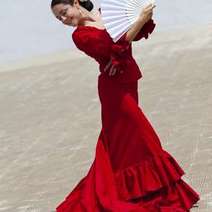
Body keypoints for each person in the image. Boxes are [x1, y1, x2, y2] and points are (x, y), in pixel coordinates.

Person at [51, 0, 200, 211]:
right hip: (113, 93)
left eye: (64, 12)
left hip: (128, 83)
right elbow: (115, 46)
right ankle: (161, 192)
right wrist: (139, 20)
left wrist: (143, 19)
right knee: (144, 137)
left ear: (76, 3)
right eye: (59, 18)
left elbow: (132, 35)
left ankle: (138, 190)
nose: (64, 20)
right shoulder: (80, 36)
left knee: (126, 143)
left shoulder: (108, 14)